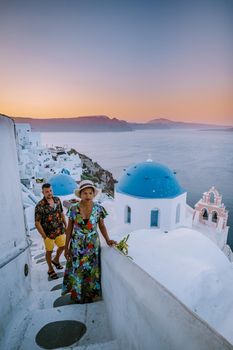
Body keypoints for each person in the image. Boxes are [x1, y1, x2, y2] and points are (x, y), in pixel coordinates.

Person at [62, 180, 116, 303]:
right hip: (77, 245)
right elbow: (69, 228)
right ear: (80, 194)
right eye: (85, 193)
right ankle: (78, 295)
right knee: (78, 270)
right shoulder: (73, 209)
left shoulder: (98, 209)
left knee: (91, 271)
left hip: (92, 245)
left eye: (90, 193)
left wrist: (108, 240)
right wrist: (66, 247)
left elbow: (101, 226)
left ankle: (90, 295)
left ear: (93, 194)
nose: (88, 196)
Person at [35, 183, 67, 279]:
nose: (49, 193)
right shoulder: (40, 205)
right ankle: (50, 269)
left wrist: (66, 224)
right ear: (43, 192)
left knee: (63, 246)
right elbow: (37, 222)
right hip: (48, 234)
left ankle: (56, 260)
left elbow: (61, 213)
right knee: (49, 251)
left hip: (59, 230)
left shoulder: (57, 200)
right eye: (47, 192)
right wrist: (44, 236)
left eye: (50, 191)